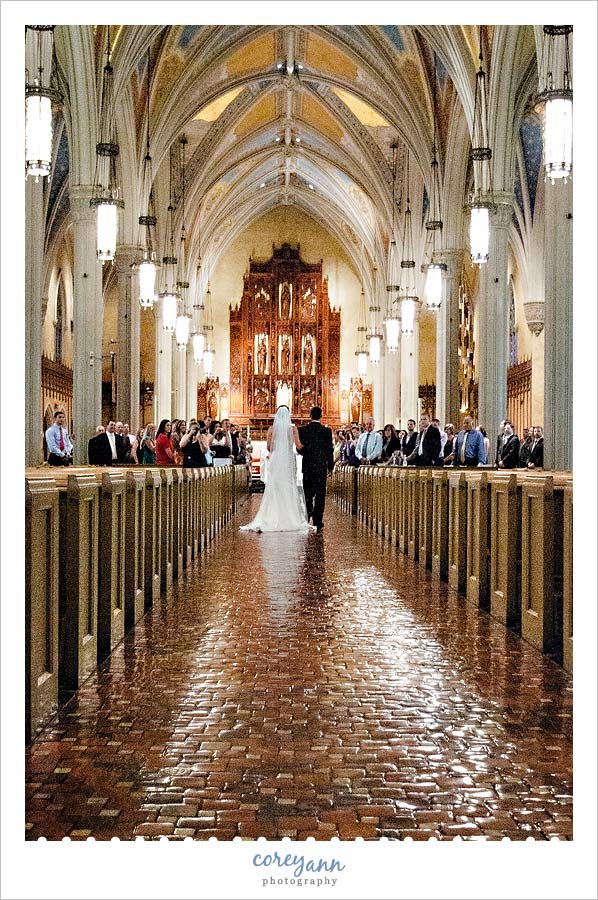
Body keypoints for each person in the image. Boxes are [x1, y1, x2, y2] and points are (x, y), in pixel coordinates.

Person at [241, 405, 314, 533]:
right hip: (287, 459)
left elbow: (269, 447)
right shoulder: (292, 429)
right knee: (288, 486)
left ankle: (272, 516)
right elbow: (299, 445)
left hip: (276, 460)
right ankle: (289, 517)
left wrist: (277, 449)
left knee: (274, 487)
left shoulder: (271, 429)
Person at [297, 407, 335, 531]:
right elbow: (330, 450)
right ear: (321, 416)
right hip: (320, 467)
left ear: (310, 415)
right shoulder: (327, 431)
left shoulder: (303, 430)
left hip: (308, 466)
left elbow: (300, 450)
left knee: (307, 493)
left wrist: (308, 452)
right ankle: (318, 520)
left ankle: (307, 516)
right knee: (320, 494)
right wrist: (330, 466)